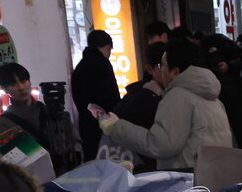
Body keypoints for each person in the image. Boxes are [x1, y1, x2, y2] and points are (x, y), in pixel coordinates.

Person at [98, 37, 232, 170]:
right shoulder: (212, 97)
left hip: (188, 179)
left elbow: (161, 145)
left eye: (163, 65)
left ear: (175, 72)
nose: (161, 70)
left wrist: (116, 127)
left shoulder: (178, 95)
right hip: (216, 175)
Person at [104, 43, 166, 171]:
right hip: (143, 169)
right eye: (163, 66)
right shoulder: (143, 97)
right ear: (150, 69)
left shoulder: (142, 94)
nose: (169, 71)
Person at [71, 29, 122, 161]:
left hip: (86, 125)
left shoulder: (79, 67)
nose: (109, 54)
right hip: (104, 125)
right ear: (106, 47)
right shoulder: (103, 64)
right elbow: (112, 97)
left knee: (93, 162)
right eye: (109, 50)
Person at [203, 32, 242, 152]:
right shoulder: (202, 49)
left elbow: (241, 58)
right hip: (214, 95)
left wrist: (229, 66)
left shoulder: (218, 41)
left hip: (233, 92)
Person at [0, 62, 51, 153]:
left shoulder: (48, 111)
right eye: (13, 84)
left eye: (23, 81)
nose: (21, 87)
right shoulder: (4, 123)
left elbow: (73, 138)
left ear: (29, 82)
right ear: (4, 89)